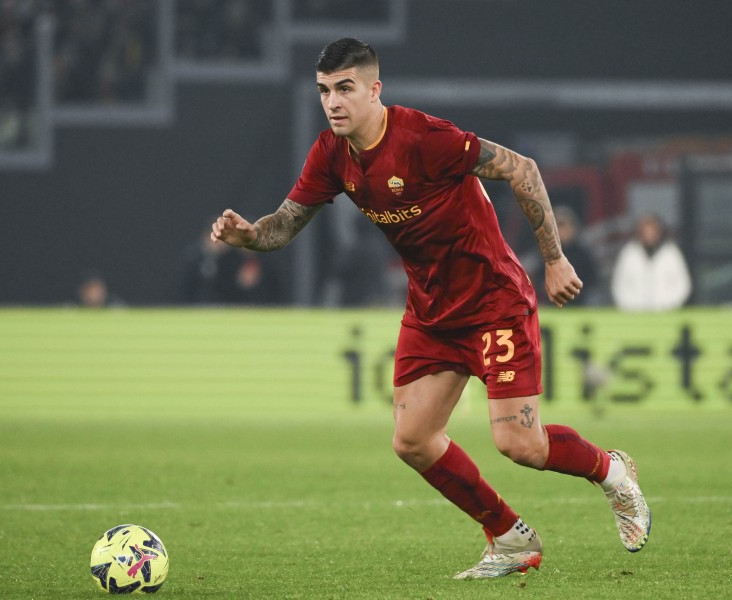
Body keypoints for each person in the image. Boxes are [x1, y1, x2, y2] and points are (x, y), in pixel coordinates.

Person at [211, 38, 650, 579]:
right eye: (324, 91)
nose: (333, 102)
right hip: (431, 313)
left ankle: (612, 473)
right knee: (412, 440)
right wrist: (249, 236)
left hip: (494, 303)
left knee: (520, 445)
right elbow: (284, 224)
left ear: (375, 90)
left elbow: (523, 169)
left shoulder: (425, 138)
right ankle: (510, 539)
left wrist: (554, 260)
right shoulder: (331, 154)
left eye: (345, 89)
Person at [611, 213, 692, 312]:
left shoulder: (670, 253)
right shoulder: (629, 253)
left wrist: (668, 305)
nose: (649, 234)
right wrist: (630, 307)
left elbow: (682, 285)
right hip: (634, 314)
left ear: (659, 231)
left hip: (666, 313)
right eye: (645, 231)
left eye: (652, 230)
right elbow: (619, 284)